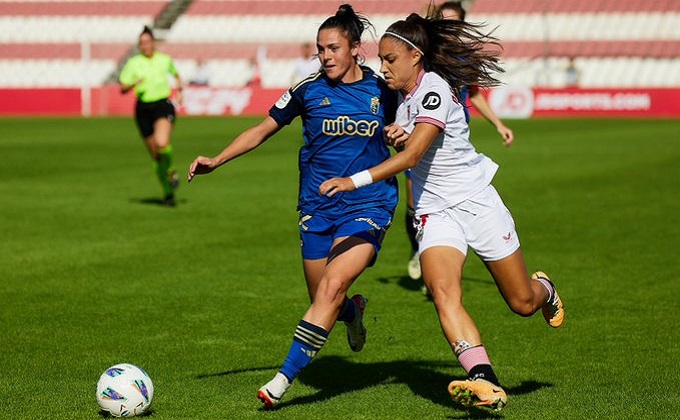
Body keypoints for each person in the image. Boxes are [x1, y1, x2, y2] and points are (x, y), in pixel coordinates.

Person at [319, 11, 565, 411]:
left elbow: (416, 153)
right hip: (435, 211)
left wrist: (355, 180)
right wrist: (397, 135)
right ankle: (484, 380)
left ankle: (546, 289)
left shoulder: (434, 87)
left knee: (522, 303)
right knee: (442, 291)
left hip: (476, 202)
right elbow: (411, 146)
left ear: (416, 57)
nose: (382, 67)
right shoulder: (402, 100)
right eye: (380, 59)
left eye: (389, 59)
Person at [187, 4, 401, 408]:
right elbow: (262, 130)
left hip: (369, 202)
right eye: (320, 49)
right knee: (326, 299)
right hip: (316, 208)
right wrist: (217, 159)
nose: (325, 56)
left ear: (356, 48)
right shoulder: (308, 90)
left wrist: (400, 133)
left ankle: (281, 381)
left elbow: (411, 135)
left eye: (334, 48)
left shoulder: (383, 91)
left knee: (332, 286)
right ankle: (352, 314)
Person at [406, 0, 515, 282]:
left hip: (452, 143)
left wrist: (499, 124)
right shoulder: (424, 57)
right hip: (420, 134)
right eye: (444, 20)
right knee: (413, 200)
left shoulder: (465, 58)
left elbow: (476, 94)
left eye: (453, 21)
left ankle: (435, 251)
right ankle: (421, 248)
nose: (448, 26)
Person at [119, 25, 182, 206]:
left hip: (162, 105)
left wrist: (180, 89)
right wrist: (132, 83)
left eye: (147, 41)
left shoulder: (164, 60)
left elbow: (176, 75)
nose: (144, 45)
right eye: (141, 43)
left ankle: (170, 169)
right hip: (143, 109)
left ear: (153, 42)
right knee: (155, 155)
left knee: (162, 143)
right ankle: (168, 193)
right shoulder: (133, 63)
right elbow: (122, 87)